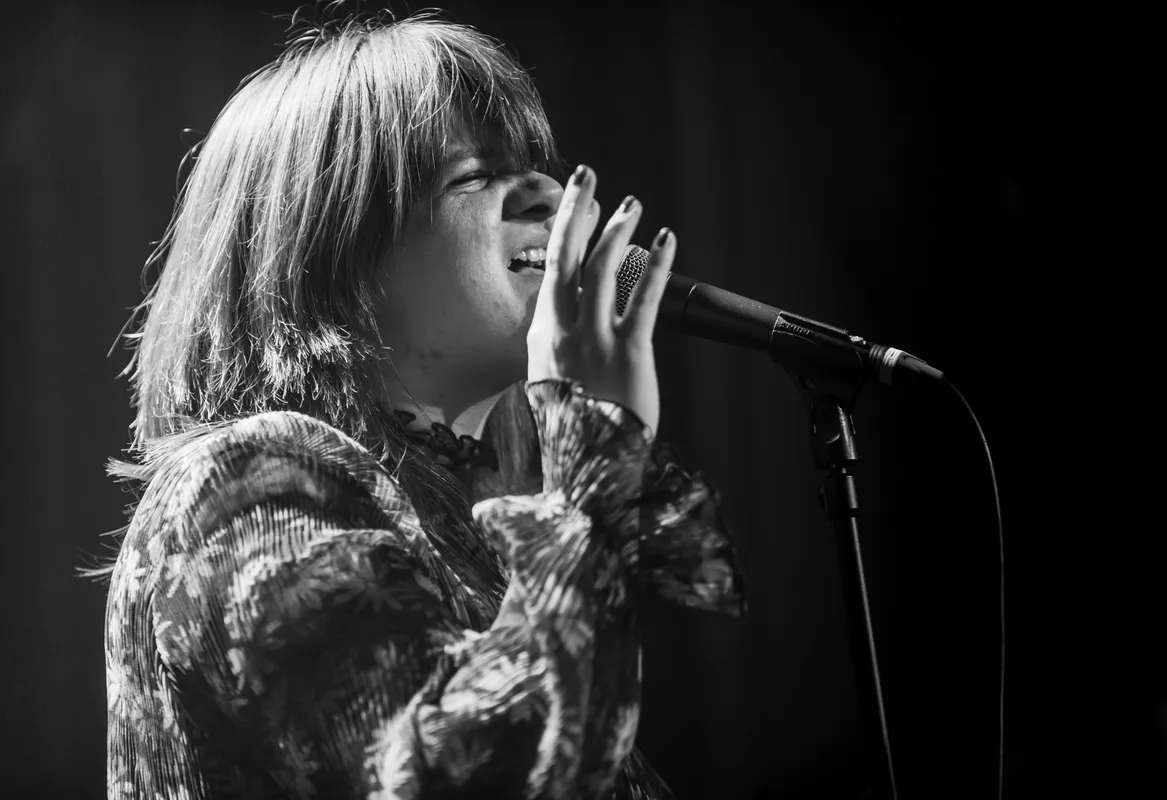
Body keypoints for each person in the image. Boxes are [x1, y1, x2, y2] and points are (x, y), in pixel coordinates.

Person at [94, 6, 745, 798]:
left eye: (533, 165)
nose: (547, 192)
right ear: (331, 247)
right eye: (474, 175)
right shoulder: (245, 483)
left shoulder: (476, 523)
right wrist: (595, 463)